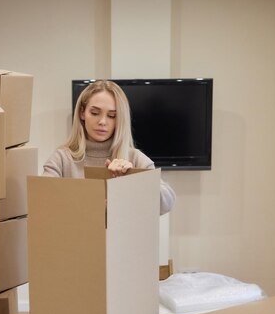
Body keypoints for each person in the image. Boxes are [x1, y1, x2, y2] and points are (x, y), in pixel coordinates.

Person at [43, 80, 176, 215]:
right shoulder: (61, 159)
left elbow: (166, 203)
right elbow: (42, 201)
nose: (102, 122)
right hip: (73, 235)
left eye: (112, 116)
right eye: (95, 113)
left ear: (120, 119)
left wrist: (134, 178)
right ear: (82, 113)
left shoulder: (134, 158)